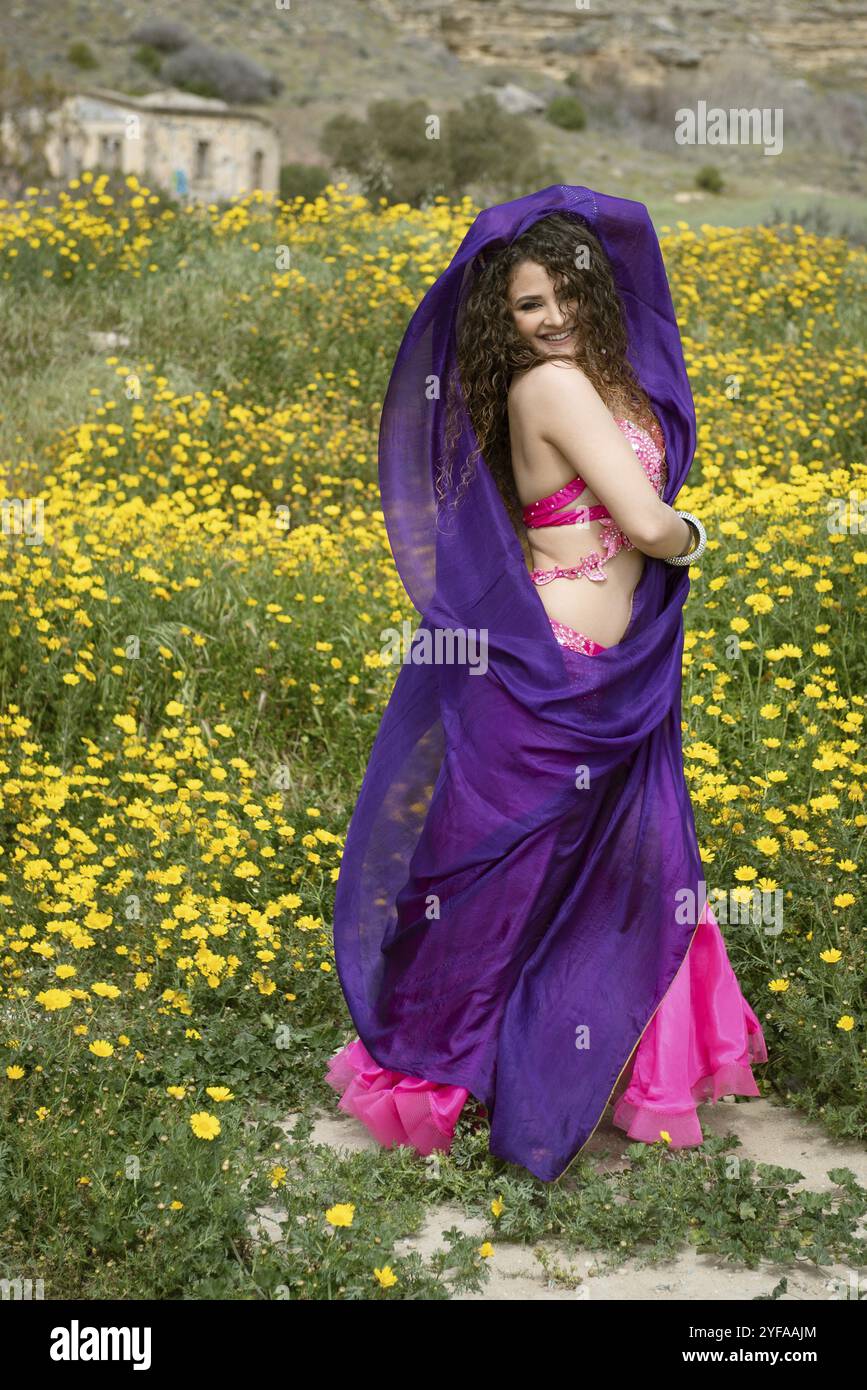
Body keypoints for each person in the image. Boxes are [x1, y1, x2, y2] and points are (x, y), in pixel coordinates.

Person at [325, 185, 768, 1183]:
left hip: (610, 675)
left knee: (613, 877)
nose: (553, 316)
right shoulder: (553, 389)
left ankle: (584, 1066)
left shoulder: (601, 381)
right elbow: (651, 528)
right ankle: (449, 1074)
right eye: (529, 304)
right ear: (503, 317)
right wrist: (697, 539)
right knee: (512, 883)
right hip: (551, 680)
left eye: (568, 292)